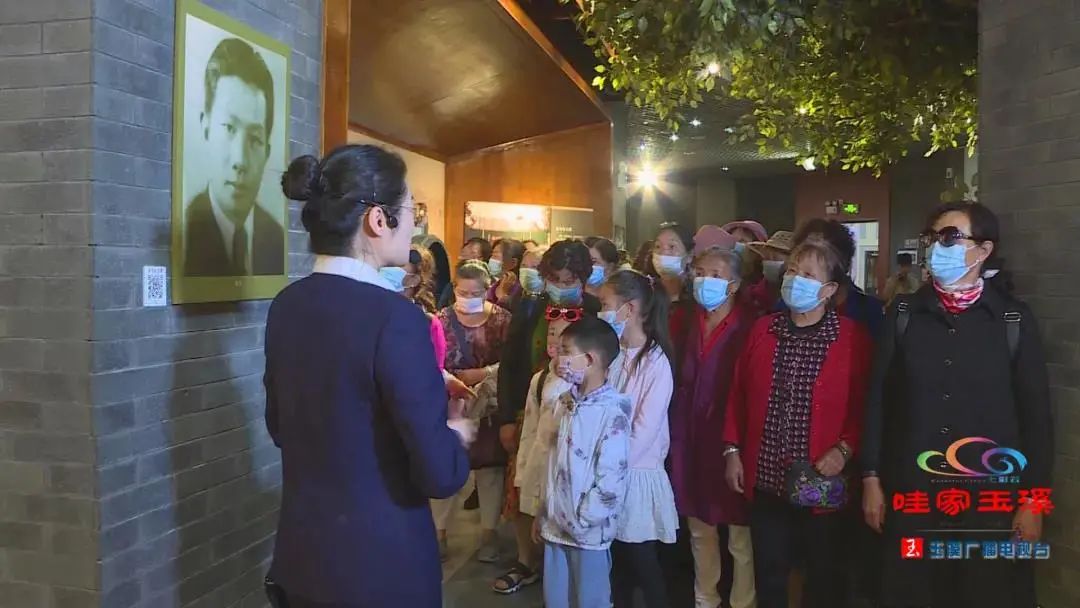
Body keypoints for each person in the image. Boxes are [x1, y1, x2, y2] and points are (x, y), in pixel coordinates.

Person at [267, 144, 473, 607]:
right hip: (381, 567)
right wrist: (456, 434)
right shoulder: (396, 319)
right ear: (378, 220)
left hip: (303, 560)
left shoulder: (287, 304)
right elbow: (439, 474)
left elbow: (280, 425)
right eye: (412, 211)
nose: (416, 226)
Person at [861, 202, 1052, 608]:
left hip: (989, 500)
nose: (937, 247)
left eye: (950, 237)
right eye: (933, 238)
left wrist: (1034, 501)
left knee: (985, 592)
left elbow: (1037, 418)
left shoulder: (1012, 320)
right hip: (912, 495)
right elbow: (878, 400)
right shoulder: (904, 314)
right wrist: (871, 477)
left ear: (983, 250)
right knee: (911, 591)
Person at [723, 239, 872, 608]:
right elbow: (737, 394)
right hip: (768, 477)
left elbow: (866, 405)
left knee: (822, 575)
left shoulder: (852, 338)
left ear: (830, 289)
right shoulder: (764, 330)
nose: (795, 279)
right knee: (770, 573)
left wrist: (845, 449)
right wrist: (732, 450)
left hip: (822, 479)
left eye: (807, 274)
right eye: (791, 270)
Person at [492, 239, 601, 592]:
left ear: (583, 279)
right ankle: (526, 560)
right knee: (522, 483)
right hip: (530, 410)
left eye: (570, 281)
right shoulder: (529, 308)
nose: (562, 287)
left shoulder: (596, 311)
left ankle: (563, 560)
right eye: (555, 279)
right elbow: (509, 365)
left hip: (577, 414)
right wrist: (506, 417)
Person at [670, 246, 757, 608]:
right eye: (701, 272)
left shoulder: (750, 325)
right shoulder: (684, 320)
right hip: (689, 436)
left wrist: (736, 445)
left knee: (740, 534)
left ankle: (743, 601)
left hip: (731, 439)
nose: (705, 280)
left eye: (717, 275)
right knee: (698, 526)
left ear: (734, 284)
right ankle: (705, 598)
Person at [535, 316, 631, 608]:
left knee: (591, 600)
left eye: (566, 351)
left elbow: (611, 478)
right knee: (556, 599)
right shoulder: (564, 403)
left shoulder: (612, 412)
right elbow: (550, 459)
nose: (558, 358)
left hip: (587, 533)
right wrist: (544, 511)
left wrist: (584, 518)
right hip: (555, 527)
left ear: (589, 359)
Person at [599, 270, 678, 608]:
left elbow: (644, 430)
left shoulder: (656, 363)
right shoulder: (612, 354)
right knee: (616, 566)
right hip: (607, 473)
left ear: (628, 309)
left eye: (606, 305)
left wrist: (608, 462)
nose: (601, 312)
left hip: (635, 474)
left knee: (642, 562)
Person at [432, 260, 512, 563]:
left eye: (475, 292)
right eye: (462, 292)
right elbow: (430, 359)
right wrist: (451, 381)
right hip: (450, 405)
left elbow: (513, 362)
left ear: (487, 289)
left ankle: (489, 534)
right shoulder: (441, 320)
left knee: (491, 471)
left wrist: (483, 374)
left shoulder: (502, 320)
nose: (468, 298)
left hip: (489, 404)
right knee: (445, 466)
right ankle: (438, 534)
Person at [184, 37, 284, 277]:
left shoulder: (277, 238)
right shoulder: (185, 232)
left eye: (255, 139)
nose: (240, 160)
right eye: (229, 128)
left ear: (267, 153)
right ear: (206, 128)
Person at [495, 317, 575, 595]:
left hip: (569, 472)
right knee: (536, 522)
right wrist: (523, 471)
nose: (556, 340)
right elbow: (530, 430)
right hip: (539, 465)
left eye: (564, 335)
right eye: (552, 332)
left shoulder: (585, 380)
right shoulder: (540, 379)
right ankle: (535, 572)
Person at [787, 219, 884, 337]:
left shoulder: (869, 311)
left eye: (809, 273)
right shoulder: (783, 307)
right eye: (793, 269)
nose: (798, 279)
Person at [743, 230, 793, 318]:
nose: (769, 262)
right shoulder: (751, 294)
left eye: (775, 258)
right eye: (766, 258)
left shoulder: (797, 297)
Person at [438, 237, 494, 308]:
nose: (469, 297)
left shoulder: (493, 286)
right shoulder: (451, 287)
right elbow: (441, 307)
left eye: (476, 294)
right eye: (463, 293)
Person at [488, 238, 526, 310]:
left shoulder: (521, 289)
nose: (491, 259)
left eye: (496, 256)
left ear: (513, 262)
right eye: (491, 255)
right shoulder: (495, 284)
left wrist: (503, 297)